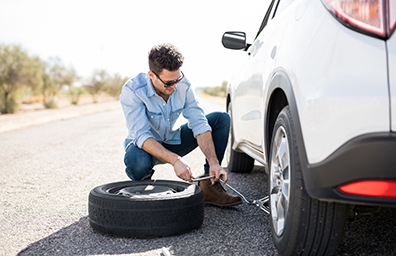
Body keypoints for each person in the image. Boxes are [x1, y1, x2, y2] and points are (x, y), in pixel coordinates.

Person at [120, 43, 241, 207]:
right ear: (151, 75)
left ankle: (210, 186)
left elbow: (199, 123)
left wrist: (214, 161)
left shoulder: (183, 85)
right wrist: (175, 161)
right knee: (137, 160)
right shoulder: (133, 90)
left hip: (173, 140)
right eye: (169, 83)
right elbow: (142, 136)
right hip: (145, 148)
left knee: (220, 119)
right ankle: (143, 187)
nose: (174, 86)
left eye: (177, 79)